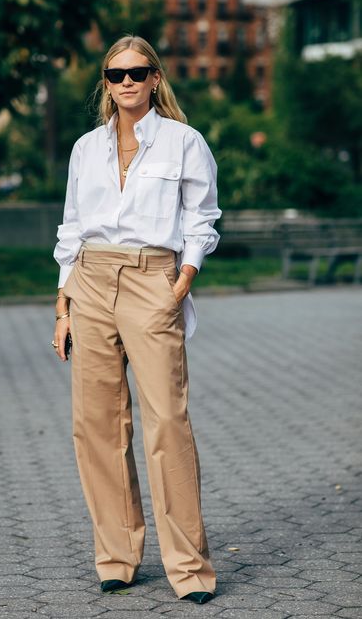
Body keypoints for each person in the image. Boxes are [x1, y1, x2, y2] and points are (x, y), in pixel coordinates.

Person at [52, 34, 221, 605]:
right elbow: (72, 226)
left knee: (166, 423)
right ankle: (118, 558)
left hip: (154, 280)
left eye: (137, 72)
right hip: (90, 281)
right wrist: (63, 303)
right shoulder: (85, 148)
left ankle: (189, 568)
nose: (126, 81)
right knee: (96, 426)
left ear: (155, 78)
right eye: (115, 73)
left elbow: (202, 219)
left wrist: (181, 284)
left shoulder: (183, 142)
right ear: (106, 82)